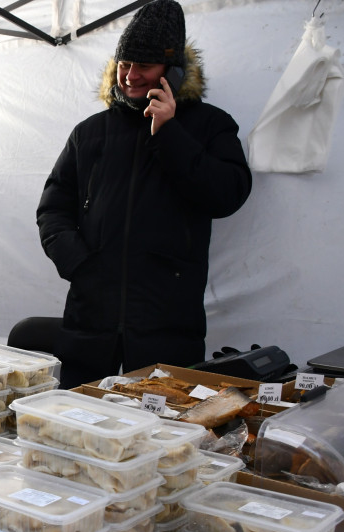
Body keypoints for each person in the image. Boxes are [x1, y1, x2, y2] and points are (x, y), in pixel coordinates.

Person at [17, 0, 252, 388]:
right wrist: (80, 264)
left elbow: (227, 195)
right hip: (91, 318)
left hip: (168, 322)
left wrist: (170, 132)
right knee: (82, 420)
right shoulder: (90, 132)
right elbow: (53, 209)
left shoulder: (210, 126)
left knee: (162, 430)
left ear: (173, 71)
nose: (130, 76)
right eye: (125, 63)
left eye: (144, 66)